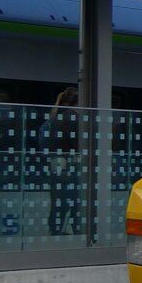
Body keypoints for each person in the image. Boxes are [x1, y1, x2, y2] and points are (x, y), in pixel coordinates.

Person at [47, 86, 81, 237]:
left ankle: (55, 228)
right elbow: (77, 143)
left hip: (57, 165)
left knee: (58, 199)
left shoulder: (56, 116)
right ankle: (76, 228)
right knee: (74, 199)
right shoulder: (72, 117)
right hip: (70, 165)